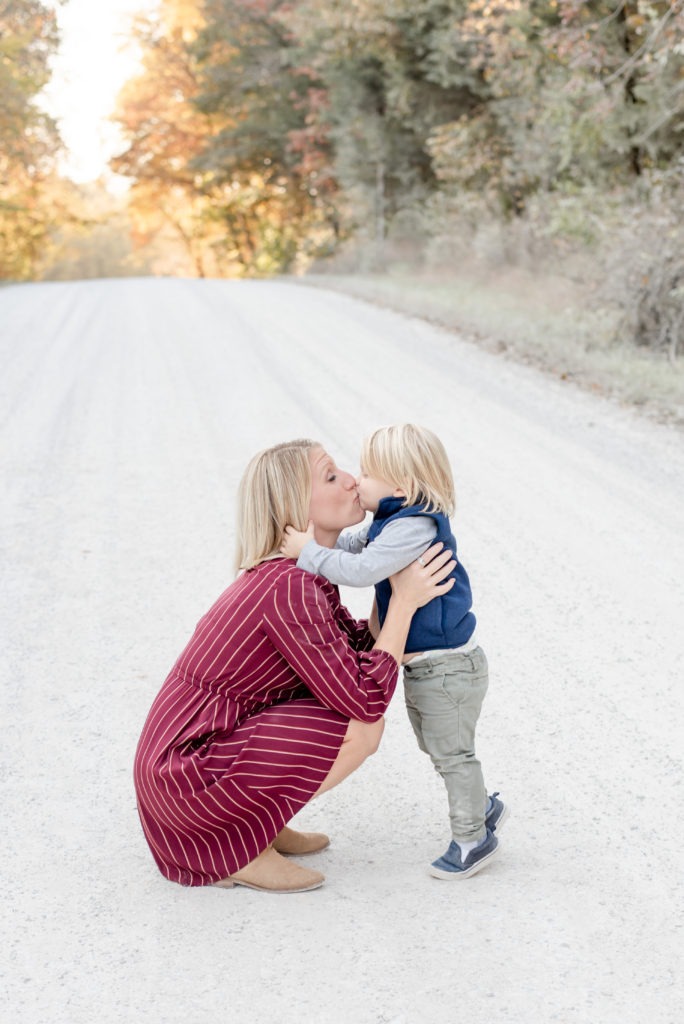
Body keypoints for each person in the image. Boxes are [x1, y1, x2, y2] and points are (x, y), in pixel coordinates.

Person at [133, 438, 454, 893]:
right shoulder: (287, 587)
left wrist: (393, 584)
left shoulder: (298, 576)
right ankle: (235, 848)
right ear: (294, 507)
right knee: (360, 726)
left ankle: (258, 822)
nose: (350, 479)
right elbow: (364, 696)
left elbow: (351, 651)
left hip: (185, 774)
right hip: (186, 781)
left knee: (342, 709)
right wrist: (404, 604)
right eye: (329, 476)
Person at [280, 424, 508, 880]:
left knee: (452, 753)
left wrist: (307, 553)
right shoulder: (396, 521)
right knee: (438, 744)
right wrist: (320, 540)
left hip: (447, 668)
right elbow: (355, 544)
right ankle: (482, 803)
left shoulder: (414, 526)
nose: (355, 481)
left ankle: (471, 837)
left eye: (366, 473)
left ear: (401, 486)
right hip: (432, 668)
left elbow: (363, 569)